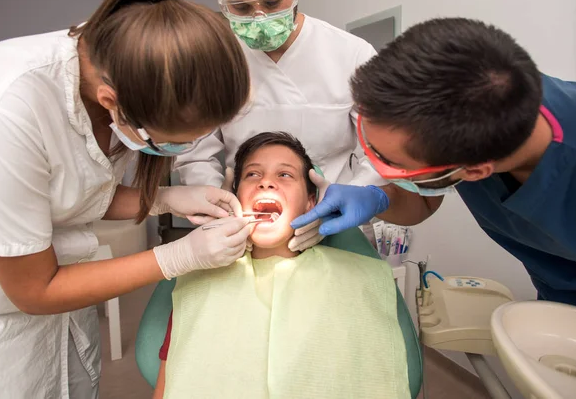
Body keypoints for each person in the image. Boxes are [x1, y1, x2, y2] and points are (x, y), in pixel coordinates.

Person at [0, 0, 254, 398]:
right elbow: (33, 290)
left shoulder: (121, 81)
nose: (184, 151)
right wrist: (176, 258)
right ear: (113, 101)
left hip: (67, 304)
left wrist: (164, 198)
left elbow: (72, 194)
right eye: (178, 141)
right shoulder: (6, 107)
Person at [307, 17, 576, 306]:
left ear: (475, 172)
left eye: (391, 164)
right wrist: (375, 198)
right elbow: (422, 201)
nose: (375, 166)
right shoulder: (471, 105)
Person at [173, 0, 390, 250]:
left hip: (337, 232)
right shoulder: (212, 62)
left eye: (273, 2)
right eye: (240, 7)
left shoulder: (353, 56)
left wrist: (343, 204)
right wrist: (220, 207)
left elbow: (378, 157)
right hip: (245, 235)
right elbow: (196, 156)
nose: (258, 18)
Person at [154, 132, 410, 399]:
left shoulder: (359, 281)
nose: (266, 182)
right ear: (232, 198)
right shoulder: (200, 282)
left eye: (285, 175)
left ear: (313, 202)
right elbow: (172, 382)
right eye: (252, 174)